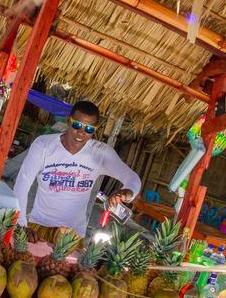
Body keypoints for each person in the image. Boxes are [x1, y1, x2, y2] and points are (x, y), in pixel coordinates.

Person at [13, 100, 141, 241]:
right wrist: (21, 223)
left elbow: (133, 179)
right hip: (39, 227)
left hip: (72, 235)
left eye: (89, 129)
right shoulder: (43, 145)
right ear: (69, 121)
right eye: (77, 125)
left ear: (95, 129)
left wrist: (126, 193)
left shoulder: (100, 153)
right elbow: (22, 185)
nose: (81, 133)